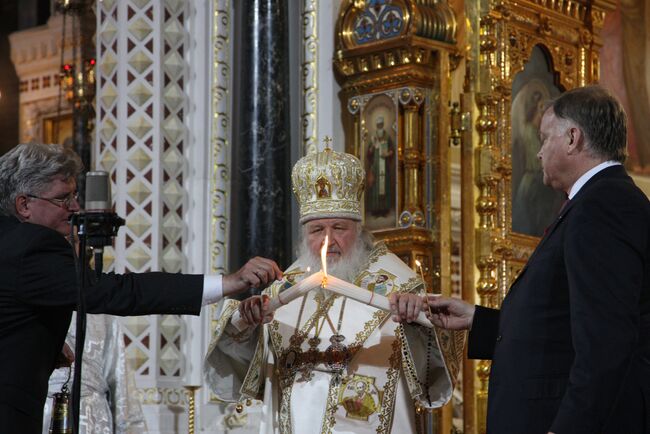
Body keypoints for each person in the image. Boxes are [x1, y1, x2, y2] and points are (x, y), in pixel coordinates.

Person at [0, 143, 282, 433]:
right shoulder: (32, 245)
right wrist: (228, 282)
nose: (75, 208)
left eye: (75, 195)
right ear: (24, 204)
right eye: (63, 199)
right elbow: (120, 292)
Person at [417, 86, 650, 434]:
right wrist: (477, 320)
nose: (538, 153)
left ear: (573, 138)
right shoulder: (599, 201)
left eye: (544, 138)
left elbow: (605, 340)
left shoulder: (601, 207)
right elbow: (565, 328)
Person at [204, 146, 461, 433]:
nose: (329, 241)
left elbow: (434, 376)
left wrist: (417, 324)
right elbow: (244, 377)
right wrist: (245, 326)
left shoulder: (399, 285)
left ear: (359, 229)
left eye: (339, 228)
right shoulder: (284, 288)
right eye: (317, 231)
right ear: (305, 235)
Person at [42, 314, 146, 434]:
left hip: (91, 415)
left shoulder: (103, 315)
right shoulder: (30, 305)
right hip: (42, 409)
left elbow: (119, 378)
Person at [366, 116, 394, 217]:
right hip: (376, 166)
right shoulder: (373, 138)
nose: (380, 126)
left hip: (384, 165)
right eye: (378, 125)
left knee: (384, 185)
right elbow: (369, 154)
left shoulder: (387, 137)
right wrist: (372, 147)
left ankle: (384, 209)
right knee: (375, 187)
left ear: (383, 125)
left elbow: (392, 150)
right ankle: (375, 210)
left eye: (381, 125)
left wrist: (388, 154)